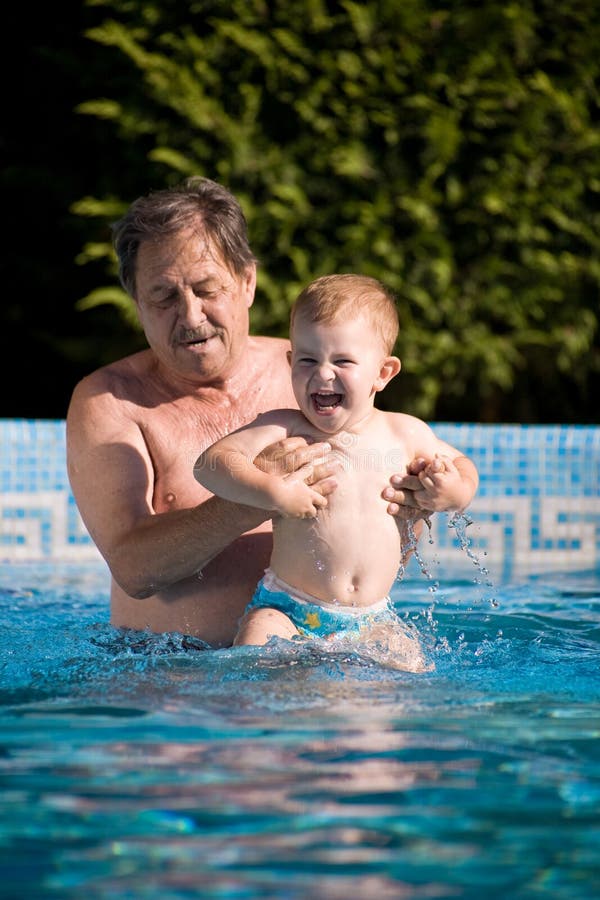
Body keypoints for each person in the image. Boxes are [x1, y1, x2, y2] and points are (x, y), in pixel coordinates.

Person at [66, 177, 430, 647]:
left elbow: (393, 541)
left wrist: (419, 502)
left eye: (206, 289)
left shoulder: (312, 378)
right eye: (164, 296)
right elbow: (134, 569)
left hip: (333, 652)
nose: (192, 316)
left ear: (247, 282)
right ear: (137, 303)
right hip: (177, 677)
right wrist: (253, 496)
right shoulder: (110, 402)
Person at [194, 274, 479, 666]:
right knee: (255, 652)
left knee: (410, 667)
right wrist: (271, 491)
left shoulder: (405, 433)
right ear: (291, 363)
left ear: (383, 372)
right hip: (287, 609)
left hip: (371, 619)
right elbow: (210, 464)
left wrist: (452, 493)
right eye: (308, 360)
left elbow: (465, 468)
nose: (323, 373)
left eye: (342, 361)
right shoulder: (285, 426)